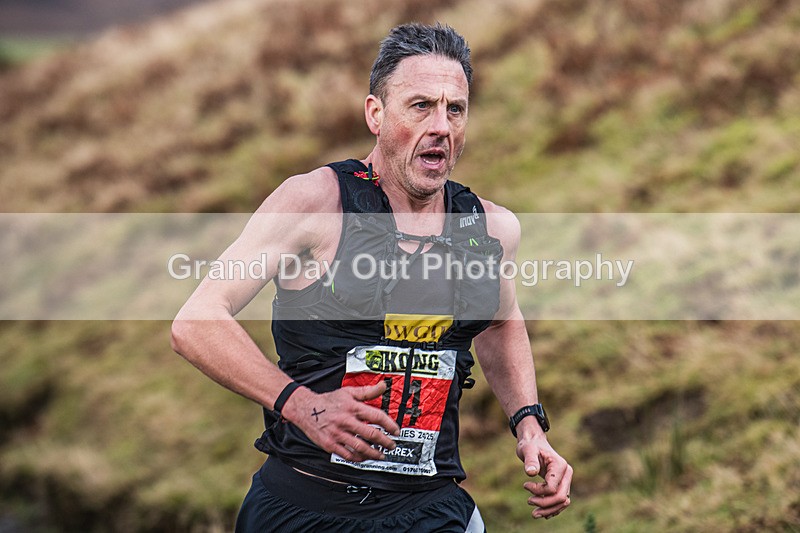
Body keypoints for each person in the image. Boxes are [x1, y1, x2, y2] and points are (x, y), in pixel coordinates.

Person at [171, 22, 572, 532]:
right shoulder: (314, 204)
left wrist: (529, 426)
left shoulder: (490, 228)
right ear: (376, 115)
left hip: (430, 509)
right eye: (421, 105)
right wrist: (305, 406)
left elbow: (499, 322)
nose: (442, 127)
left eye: (455, 109)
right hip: (304, 507)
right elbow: (197, 320)